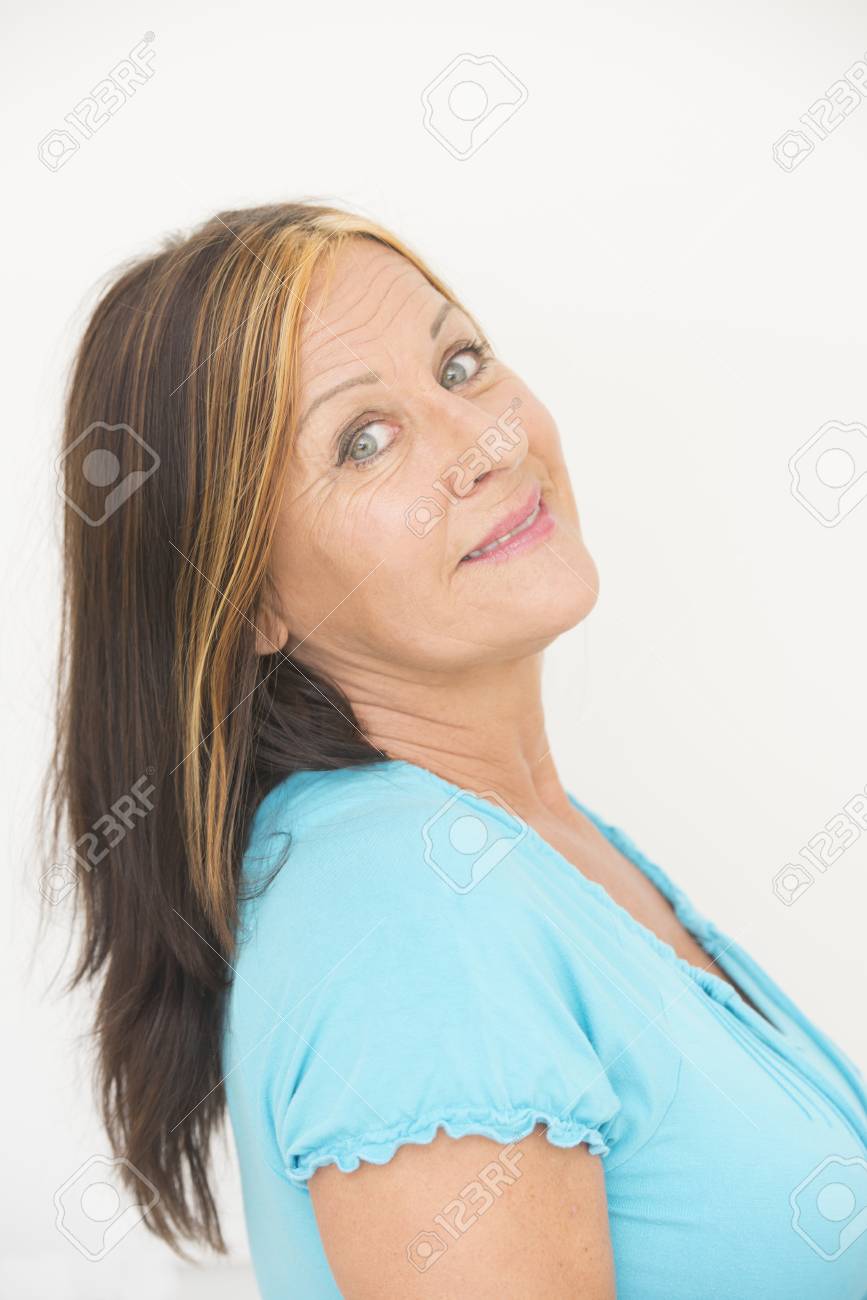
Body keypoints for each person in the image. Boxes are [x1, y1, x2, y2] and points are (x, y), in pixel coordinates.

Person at [49, 202, 867, 1298]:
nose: (487, 441)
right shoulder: (412, 909)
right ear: (248, 600)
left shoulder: (513, 848)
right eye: (363, 440)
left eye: (461, 364)